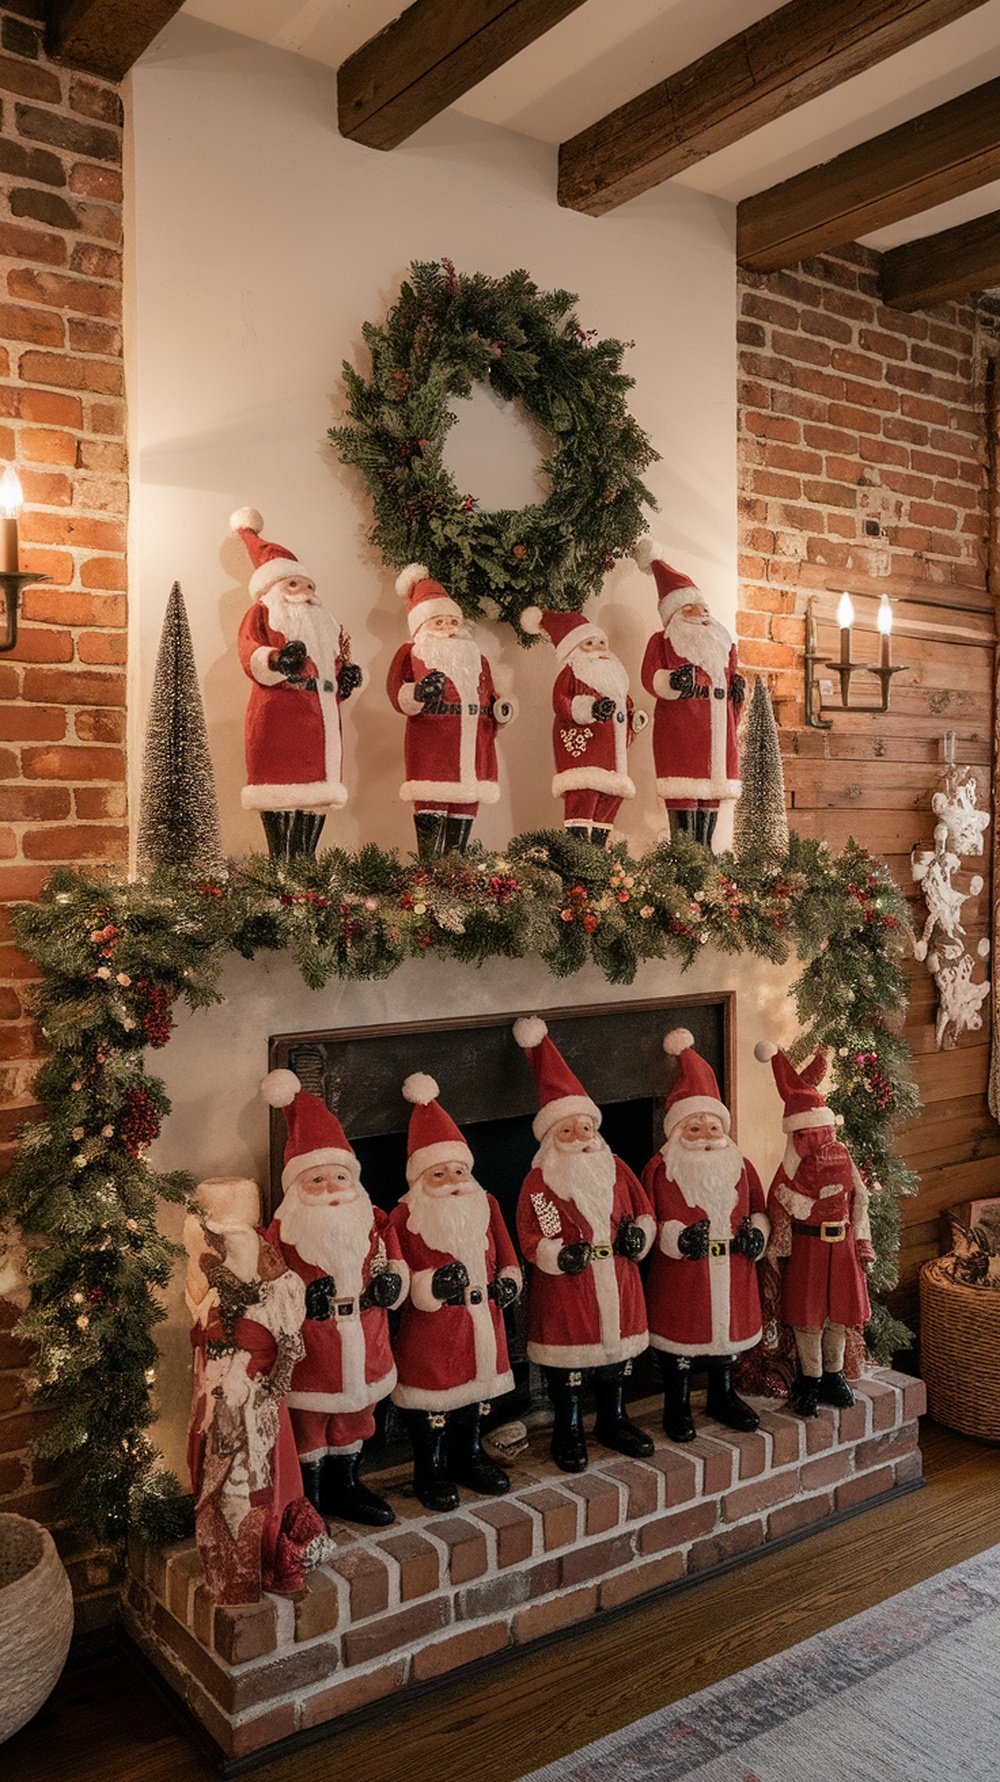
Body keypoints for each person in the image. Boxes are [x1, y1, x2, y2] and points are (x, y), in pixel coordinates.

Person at [260, 1070, 406, 1525]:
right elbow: (267, 1283)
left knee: (357, 1417)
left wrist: (391, 1285)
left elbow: (395, 1265)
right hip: (314, 1351)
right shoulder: (283, 1230)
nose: (330, 1187)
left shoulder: (374, 1220)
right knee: (309, 1423)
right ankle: (311, 1495)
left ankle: (347, 1484)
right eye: (317, 1179)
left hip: (367, 1341)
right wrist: (301, 1297)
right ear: (296, 1187)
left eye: (339, 1176)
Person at [513, 1016, 655, 1472]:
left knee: (616, 1360)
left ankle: (614, 1418)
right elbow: (530, 1234)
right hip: (569, 1287)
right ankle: (568, 1427)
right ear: (551, 1137)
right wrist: (555, 1255)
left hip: (619, 1275)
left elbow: (644, 1210)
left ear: (596, 1130)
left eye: (584, 1129)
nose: (578, 1139)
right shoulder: (540, 1180)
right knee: (569, 1363)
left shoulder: (616, 1167)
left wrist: (640, 1235)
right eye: (566, 1131)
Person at [184, 1176, 333, 1603]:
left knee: (261, 1482)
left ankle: (266, 1551)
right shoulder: (207, 1288)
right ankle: (232, 1560)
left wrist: (273, 1381)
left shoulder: (276, 1293)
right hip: (219, 1399)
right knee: (222, 1478)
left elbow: (289, 1347)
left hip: (258, 1401)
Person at [388, 1073, 521, 1512]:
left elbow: (507, 1254)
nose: (451, 1180)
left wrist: (509, 1280)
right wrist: (429, 1285)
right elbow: (398, 1271)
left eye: (458, 1171)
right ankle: (429, 1468)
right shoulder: (405, 1216)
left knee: (475, 1397)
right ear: (420, 1178)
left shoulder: (487, 1204)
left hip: (484, 1321)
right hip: (434, 1328)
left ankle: (470, 1455)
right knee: (431, 1401)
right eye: (438, 1173)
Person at [642, 1031, 768, 1443]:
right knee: (679, 1342)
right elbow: (647, 1216)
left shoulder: (740, 1165)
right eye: (694, 1127)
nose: (705, 1134)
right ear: (677, 1131)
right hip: (683, 1274)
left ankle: (722, 1395)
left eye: (712, 1126)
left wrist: (758, 1234)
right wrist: (676, 1238)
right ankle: (676, 1405)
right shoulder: (661, 1169)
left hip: (733, 1267)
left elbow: (758, 1209)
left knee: (726, 1340)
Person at [231, 507, 362, 858]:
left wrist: (344, 679)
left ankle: (305, 862)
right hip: (279, 716)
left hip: (320, 721)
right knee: (278, 789)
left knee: (316, 793)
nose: (304, 591)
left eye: (308, 585)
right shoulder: (262, 612)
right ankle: (281, 863)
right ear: (273, 587)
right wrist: (276, 660)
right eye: (293, 583)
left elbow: (332, 665)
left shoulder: (324, 624)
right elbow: (249, 650)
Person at [756, 1041, 874, 1417]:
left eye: (820, 1133)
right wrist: (800, 1202)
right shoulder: (788, 1172)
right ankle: (810, 1378)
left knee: (838, 1316)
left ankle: (833, 1376)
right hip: (808, 1249)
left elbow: (861, 1199)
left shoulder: (844, 1158)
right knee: (808, 1319)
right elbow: (779, 1206)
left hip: (842, 1250)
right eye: (805, 1136)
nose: (815, 1142)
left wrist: (863, 1241)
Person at [386, 563, 515, 859]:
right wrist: (418, 693)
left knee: (465, 805)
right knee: (432, 800)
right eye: (439, 622)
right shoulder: (411, 653)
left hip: (476, 746)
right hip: (433, 744)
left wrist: (502, 709)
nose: (449, 628)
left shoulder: (478, 659)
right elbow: (396, 690)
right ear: (421, 626)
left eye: (453, 621)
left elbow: (491, 695)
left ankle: (456, 869)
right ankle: (430, 868)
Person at [635, 537, 744, 849]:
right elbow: (651, 678)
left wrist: (738, 692)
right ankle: (685, 855)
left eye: (704, 607)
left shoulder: (724, 646)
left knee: (710, 799)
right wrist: (673, 681)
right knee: (684, 794)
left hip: (718, 741)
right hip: (682, 737)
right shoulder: (663, 641)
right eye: (690, 608)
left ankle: (705, 853)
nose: (701, 613)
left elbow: (731, 689)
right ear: (675, 614)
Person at [520, 605, 647, 848]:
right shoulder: (572, 673)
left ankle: (598, 852)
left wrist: (633, 720)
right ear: (574, 650)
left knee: (610, 800)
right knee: (583, 796)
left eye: (602, 642)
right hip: (584, 753)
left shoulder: (615, 680)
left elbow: (625, 708)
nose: (599, 648)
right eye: (589, 643)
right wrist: (589, 709)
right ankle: (578, 851)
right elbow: (562, 702)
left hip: (613, 760)